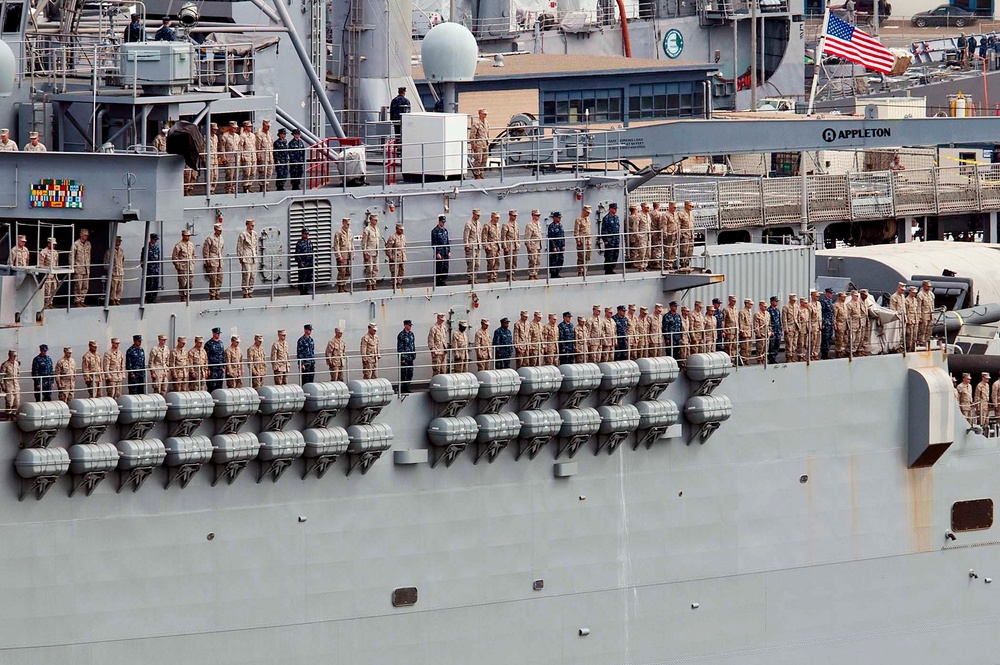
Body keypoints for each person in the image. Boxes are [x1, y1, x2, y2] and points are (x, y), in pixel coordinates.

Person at [237, 218, 259, 298]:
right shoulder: (243, 234)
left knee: (253, 275)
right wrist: (240, 258)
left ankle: (250, 291)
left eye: (253, 224)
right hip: (246, 257)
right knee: (247, 275)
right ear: (247, 224)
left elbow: (256, 245)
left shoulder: (255, 234)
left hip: (253, 257)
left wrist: (256, 254)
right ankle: (245, 292)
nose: (253, 225)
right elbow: (240, 246)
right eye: (251, 224)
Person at [202, 222, 224, 300]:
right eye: (218, 230)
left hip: (220, 259)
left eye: (221, 230)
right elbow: (206, 250)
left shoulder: (221, 238)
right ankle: (212, 294)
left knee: (220, 277)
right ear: (215, 229)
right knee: (213, 278)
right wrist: (207, 260)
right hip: (213, 259)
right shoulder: (210, 238)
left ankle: (217, 293)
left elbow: (221, 249)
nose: (220, 231)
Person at [172, 229, 195, 302]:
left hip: (190, 266)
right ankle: (183, 296)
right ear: (183, 236)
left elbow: (193, 254)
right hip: (183, 267)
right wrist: (178, 265)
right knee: (182, 282)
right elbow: (174, 256)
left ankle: (187, 294)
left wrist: (193, 262)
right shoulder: (179, 245)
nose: (188, 237)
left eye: (188, 236)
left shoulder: (191, 244)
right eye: (186, 236)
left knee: (190, 282)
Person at [598, 203, 620, 275]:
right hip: (610, 240)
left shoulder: (616, 218)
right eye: (614, 209)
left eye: (616, 209)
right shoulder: (606, 218)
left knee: (615, 255)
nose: (615, 210)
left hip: (616, 240)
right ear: (610, 209)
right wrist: (605, 240)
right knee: (608, 256)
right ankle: (608, 270)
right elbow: (603, 230)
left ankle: (612, 268)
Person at [103, 235, 125, 306]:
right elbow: (106, 262)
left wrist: (122, 268)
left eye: (119, 241)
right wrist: (109, 271)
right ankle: (112, 299)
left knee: (120, 287)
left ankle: (117, 299)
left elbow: (123, 260)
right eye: (117, 241)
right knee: (113, 287)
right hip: (113, 272)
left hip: (120, 272)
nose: (119, 242)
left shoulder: (121, 251)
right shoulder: (109, 251)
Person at [71, 227, 91, 307]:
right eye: (84, 235)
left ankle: (82, 300)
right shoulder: (75, 244)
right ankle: (77, 301)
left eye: (87, 235)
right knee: (78, 286)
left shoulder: (88, 244)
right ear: (81, 235)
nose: (86, 236)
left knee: (85, 286)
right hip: (78, 268)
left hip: (86, 268)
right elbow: (71, 256)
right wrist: (73, 267)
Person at [384, 222, 406, 290]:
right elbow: (388, 248)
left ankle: (399, 283)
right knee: (394, 272)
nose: (401, 231)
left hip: (402, 257)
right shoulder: (392, 237)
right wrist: (390, 256)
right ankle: (394, 285)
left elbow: (404, 246)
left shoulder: (403, 237)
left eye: (402, 229)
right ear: (396, 229)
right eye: (400, 229)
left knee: (402, 271)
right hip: (395, 258)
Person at [219, 121, 239, 194]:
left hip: (236, 158)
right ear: (230, 127)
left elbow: (238, 146)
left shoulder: (237, 136)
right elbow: (222, 147)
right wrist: (223, 157)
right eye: (234, 128)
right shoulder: (225, 136)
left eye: (236, 128)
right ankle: (228, 189)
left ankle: (233, 188)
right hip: (229, 157)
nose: (235, 129)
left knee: (235, 175)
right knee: (229, 174)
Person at [333, 217, 353, 293]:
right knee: (342, 272)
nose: (348, 225)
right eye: (347, 224)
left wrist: (352, 253)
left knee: (348, 272)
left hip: (348, 256)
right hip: (342, 256)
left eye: (349, 224)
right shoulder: (339, 233)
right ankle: (340, 287)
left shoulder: (350, 232)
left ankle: (344, 285)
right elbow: (336, 245)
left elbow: (351, 243)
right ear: (343, 223)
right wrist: (338, 256)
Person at [362, 214, 381, 291]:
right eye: (375, 220)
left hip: (376, 252)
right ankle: (369, 284)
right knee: (369, 269)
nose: (376, 221)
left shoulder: (377, 229)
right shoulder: (367, 229)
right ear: (371, 220)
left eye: (377, 220)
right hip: (369, 252)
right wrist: (365, 252)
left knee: (376, 268)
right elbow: (364, 242)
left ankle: (374, 283)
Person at [469, 109, 490, 179]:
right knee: (478, 159)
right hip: (478, 144)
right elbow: (472, 135)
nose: (485, 115)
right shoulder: (476, 123)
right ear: (480, 114)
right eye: (484, 114)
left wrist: (488, 141)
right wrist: (473, 144)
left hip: (485, 143)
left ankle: (481, 172)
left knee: (484, 159)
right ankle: (476, 174)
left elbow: (487, 133)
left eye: (486, 114)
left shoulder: (486, 123)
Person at [463, 209, 482, 284]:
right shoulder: (468, 224)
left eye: (479, 215)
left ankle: (475, 277)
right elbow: (466, 236)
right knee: (471, 263)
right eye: (477, 215)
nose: (478, 216)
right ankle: (470, 279)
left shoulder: (479, 224)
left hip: (478, 246)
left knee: (477, 263)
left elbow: (479, 235)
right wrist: (466, 246)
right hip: (471, 247)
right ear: (473, 214)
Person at [431, 214, 451, 286]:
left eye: (444, 222)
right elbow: (434, 243)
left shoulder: (445, 231)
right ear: (439, 221)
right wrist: (437, 253)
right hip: (439, 253)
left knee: (445, 267)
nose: (443, 223)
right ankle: (438, 281)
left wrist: (449, 251)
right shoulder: (435, 231)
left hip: (445, 252)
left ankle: (443, 280)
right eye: (442, 222)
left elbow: (447, 242)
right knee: (439, 267)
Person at [255, 119, 274, 192]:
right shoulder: (259, 134)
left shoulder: (269, 134)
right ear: (263, 125)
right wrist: (259, 156)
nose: (268, 127)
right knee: (263, 172)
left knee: (269, 172)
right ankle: (262, 186)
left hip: (270, 156)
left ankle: (266, 185)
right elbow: (258, 147)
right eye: (267, 126)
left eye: (269, 126)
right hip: (263, 156)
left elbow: (271, 145)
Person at [481, 212, 501, 283]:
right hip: (491, 247)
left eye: (498, 218)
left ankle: (494, 276)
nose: (497, 219)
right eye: (496, 217)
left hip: (497, 246)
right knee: (491, 263)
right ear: (492, 217)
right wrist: (486, 246)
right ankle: (490, 277)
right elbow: (484, 237)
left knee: (497, 262)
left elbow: (499, 236)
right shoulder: (487, 226)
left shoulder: (498, 225)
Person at [38, 237, 58, 309]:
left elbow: (56, 263)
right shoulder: (43, 252)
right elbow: (41, 264)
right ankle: (45, 304)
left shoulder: (55, 253)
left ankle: (50, 303)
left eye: (54, 244)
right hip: (47, 275)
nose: (54, 246)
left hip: (53, 275)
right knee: (47, 291)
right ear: (49, 243)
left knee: (54, 289)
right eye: (52, 244)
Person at [294, 228, 315, 295]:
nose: (307, 235)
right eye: (305, 234)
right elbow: (297, 254)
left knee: (309, 277)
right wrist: (300, 262)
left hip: (309, 262)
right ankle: (302, 291)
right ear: (302, 234)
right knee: (302, 277)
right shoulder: (299, 243)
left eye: (308, 234)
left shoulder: (310, 242)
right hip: (303, 263)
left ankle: (306, 289)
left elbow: (312, 251)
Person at [574, 205, 593, 277]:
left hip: (588, 240)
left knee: (588, 257)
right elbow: (576, 231)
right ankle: (580, 272)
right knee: (581, 257)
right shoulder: (578, 220)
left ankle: (585, 271)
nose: (588, 214)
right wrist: (578, 240)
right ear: (584, 211)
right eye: (587, 212)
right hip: (582, 241)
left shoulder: (588, 219)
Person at [397, 320, 416, 392]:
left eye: (410, 325)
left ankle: (407, 387)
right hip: (405, 358)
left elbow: (413, 344)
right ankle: (402, 389)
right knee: (404, 373)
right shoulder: (401, 335)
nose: (410, 327)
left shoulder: (411, 334)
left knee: (410, 373)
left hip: (410, 357)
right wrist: (402, 358)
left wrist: (414, 354)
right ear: (405, 325)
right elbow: (400, 347)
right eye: (409, 325)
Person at [239, 120, 257, 193]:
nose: (251, 128)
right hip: (246, 157)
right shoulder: (242, 136)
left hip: (253, 156)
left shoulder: (253, 135)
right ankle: (245, 187)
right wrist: (241, 157)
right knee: (246, 172)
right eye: (249, 126)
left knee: (253, 172)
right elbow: (240, 147)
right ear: (245, 127)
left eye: (251, 126)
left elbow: (254, 146)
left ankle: (249, 186)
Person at [524, 209, 543, 281]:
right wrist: (528, 247)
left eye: (539, 215)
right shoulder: (529, 225)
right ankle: (531, 274)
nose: (538, 217)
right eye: (537, 215)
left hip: (538, 245)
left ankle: (535, 273)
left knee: (538, 260)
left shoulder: (539, 224)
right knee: (532, 260)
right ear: (533, 216)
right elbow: (527, 237)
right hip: (533, 246)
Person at [205, 327, 225, 392]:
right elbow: (206, 357)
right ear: (213, 333)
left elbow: (222, 355)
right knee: (211, 387)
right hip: (212, 369)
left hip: (219, 369)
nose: (218, 335)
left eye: (219, 333)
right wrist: (207, 368)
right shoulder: (208, 344)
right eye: (217, 333)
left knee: (219, 387)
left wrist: (224, 366)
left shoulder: (221, 343)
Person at [0, 349, 19, 418]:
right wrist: (3, 386)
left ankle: (13, 414)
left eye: (15, 356)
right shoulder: (5, 364)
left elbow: (18, 373)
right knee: (9, 401)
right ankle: (8, 415)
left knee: (17, 401)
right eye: (13, 356)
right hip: (9, 385)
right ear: (10, 356)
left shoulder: (16, 364)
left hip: (16, 385)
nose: (14, 357)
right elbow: (1, 376)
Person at [142, 234, 161, 303]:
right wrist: (146, 269)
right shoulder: (146, 248)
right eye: (154, 239)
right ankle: (148, 298)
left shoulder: (157, 248)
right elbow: (142, 260)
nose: (155, 241)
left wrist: (157, 267)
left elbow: (158, 258)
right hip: (149, 270)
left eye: (156, 240)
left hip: (155, 270)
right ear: (151, 239)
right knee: (149, 284)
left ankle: (153, 298)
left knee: (155, 285)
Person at [547, 212, 565, 278]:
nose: (559, 219)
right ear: (554, 218)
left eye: (560, 218)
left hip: (560, 246)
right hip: (554, 246)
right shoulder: (551, 226)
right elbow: (551, 238)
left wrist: (563, 245)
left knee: (560, 259)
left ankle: (557, 272)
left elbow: (563, 236)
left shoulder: (560, 225)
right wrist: (553, 247)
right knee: (554, 260)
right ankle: (553, 273)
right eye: (558, 217)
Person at [782, 294, 799, 362]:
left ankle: (792, 356)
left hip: (795, 327)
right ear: (790, 299)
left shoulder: (796, 306)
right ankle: (788, 357)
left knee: (794, 343)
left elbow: (798, 316)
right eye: (793, 300)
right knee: (789, 343)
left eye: (795, 300)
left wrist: (799, 326)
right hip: (789, 327)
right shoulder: (786, 307)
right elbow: (784, 319)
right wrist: (785, 328)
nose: (794, 301)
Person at [917, 279, 934, 347]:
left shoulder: (931, 294)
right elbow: (918, 307)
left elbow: (932, 305)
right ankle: (921, 342)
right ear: (924, 286)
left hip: (930, 314)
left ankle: (927, 341)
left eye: (929, 286)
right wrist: (919, 317)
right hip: (924, 315)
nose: (929, 288)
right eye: (927, 286)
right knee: (923, 330)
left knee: (929, 329)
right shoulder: (920, 295)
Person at [678, 201, 695, 268]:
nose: (691, 207)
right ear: (686, 205)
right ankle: (682, 263)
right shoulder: (681, 213)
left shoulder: (691, 213)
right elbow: (678, 224)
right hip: (684, 235)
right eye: (690, 206)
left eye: (692, 206)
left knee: (690, 250)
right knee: (684, 250)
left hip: (691, 234)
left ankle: (687, 263)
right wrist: (680, 234)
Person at [662, 201, 679, 269]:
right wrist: (665, 234)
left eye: (675, 207)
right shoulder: (665, 215)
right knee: (668, 250)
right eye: (674, 207)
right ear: (670, 207)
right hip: (669, 234)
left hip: (675, 234)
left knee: (674, 250)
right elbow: (664, 225)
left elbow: (677, 224)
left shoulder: (675, 214)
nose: (675, 209)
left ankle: (671, 264)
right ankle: (667, 265)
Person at [820, 287, 836, 359]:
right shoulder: (823, 301)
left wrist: (833, 323)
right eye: (830, 293)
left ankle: (827, 352)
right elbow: (822, 313)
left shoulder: (830, 301)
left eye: (831, 293)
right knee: (825, 338)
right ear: (827, 293)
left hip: (830, 323)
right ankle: (824, 354)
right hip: (826, 323)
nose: (831, 294)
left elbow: (832, 313)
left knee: (829, 338)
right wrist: (823, 323)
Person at [766, 296, 783, 363]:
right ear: (772, 302)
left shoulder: (777, 310)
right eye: (775, 301)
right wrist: (770, 331)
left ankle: (774, 356)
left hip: (778, 330)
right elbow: (768, 322)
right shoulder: (768, 310)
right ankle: (771, 358)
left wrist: (781, 330)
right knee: (771, 345)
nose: (776, 302)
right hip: (772, 331)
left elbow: (779, 320)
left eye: (777, 301)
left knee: (777, 344)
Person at [722, 295, 738, 361]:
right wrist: (724, 330)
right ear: (730, 301)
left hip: (735, 331)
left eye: (735, 301)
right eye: (733, 301)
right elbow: (723, 320)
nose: (734, 302)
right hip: (729, 331)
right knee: (728, 347)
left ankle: (733, 360)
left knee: (734, 346)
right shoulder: (726, 309)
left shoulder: (735, 309)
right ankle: (728, 360)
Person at [738, 298, 754, 365]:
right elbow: (741, 322)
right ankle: (743, 361)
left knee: (749, 347)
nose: (751, 305)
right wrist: (742, 331)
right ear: (746, 304)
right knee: (744, 347)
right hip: (745, 332)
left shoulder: (749, 311)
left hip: (749, 331)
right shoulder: (742, 312)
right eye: (750, 304)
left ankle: (747, 359)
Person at [833, 292, 848, 358]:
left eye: (845, 297)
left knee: (844, 338)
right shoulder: (836, 305)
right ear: (839, 297)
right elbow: (834, 316)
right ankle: (838, 351)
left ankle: (842, 350)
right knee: (839, 338)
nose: (844, 298)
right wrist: (835, 324)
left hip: (845, 323)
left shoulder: (844, 305)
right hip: (839, 323)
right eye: (843, 297)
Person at [207, 122, 219, 194]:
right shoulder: (206, 137)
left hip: (215, 159)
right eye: (214, 129)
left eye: (216, 129)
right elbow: (204, 149)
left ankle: (213, 190)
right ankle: (209, 190)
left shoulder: (216, 137)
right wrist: (205, 160)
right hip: (209, 159)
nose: (215, 131)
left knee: (215, 176)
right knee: (210, 176)